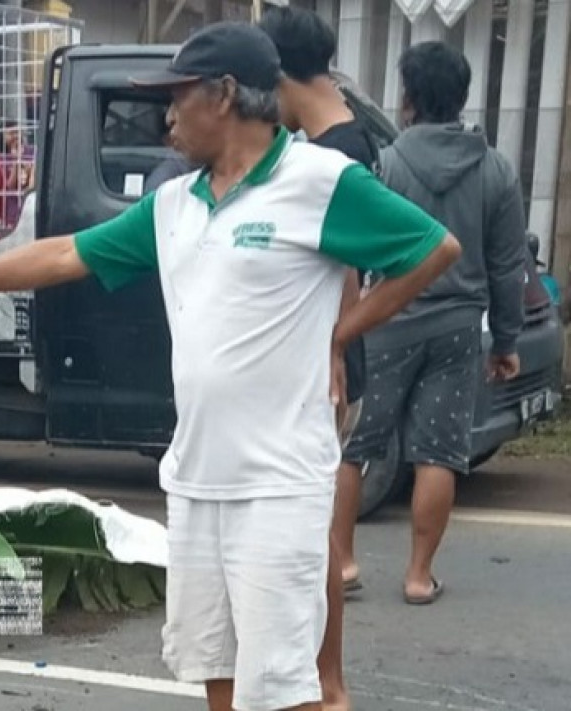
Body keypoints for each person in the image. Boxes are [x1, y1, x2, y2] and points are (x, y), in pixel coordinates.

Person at [0, 23, 461, 711]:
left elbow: (432, 249)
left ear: (224, 95)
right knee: (215, 667)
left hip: (278, 485)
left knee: (285, 686)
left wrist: (340, 331)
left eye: (178, 98)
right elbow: (64, 253)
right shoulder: (174, 205)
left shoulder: (318, 180)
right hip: (196, 480)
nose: (166, 118)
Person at [337, 41, 527, 607]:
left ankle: (342, 564)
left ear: (409, 98)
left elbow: (357, 248)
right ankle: (419, 576)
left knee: (354, 447)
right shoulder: (495, 170)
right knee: (439, 452)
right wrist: (507, 341)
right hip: (458, 328)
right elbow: (507, 264)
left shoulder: (387, 164)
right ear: (462, 96)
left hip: (387, 322)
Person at [259, 7, 383, 709]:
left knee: (315, 540)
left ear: (276, 73)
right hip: (331, 354)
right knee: (314, 536)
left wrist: (337, 339)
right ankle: (319, 678)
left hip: (329, 362)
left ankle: (328, 683)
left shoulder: (339, 152)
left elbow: (358, 268)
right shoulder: (339, 135)